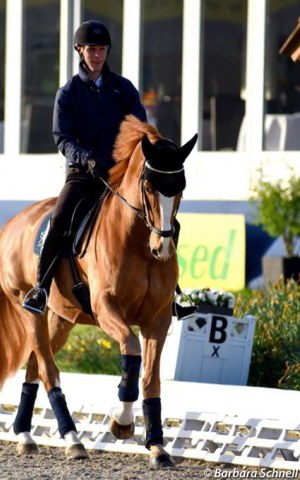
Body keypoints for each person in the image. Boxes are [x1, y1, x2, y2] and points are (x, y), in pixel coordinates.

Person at [22, 20, 197, 321]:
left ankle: (171, 295)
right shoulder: (68, 93)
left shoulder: (124, 89)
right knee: (60, 219)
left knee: (165, 222)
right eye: (92, 50)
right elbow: (61, 138)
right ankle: (40, 289)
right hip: (84, 174)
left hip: (122, 175)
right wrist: (85, 157)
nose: (97, 55)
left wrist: (157, 151)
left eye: (102, 50)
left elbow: (141, 131)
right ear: (80, 50)